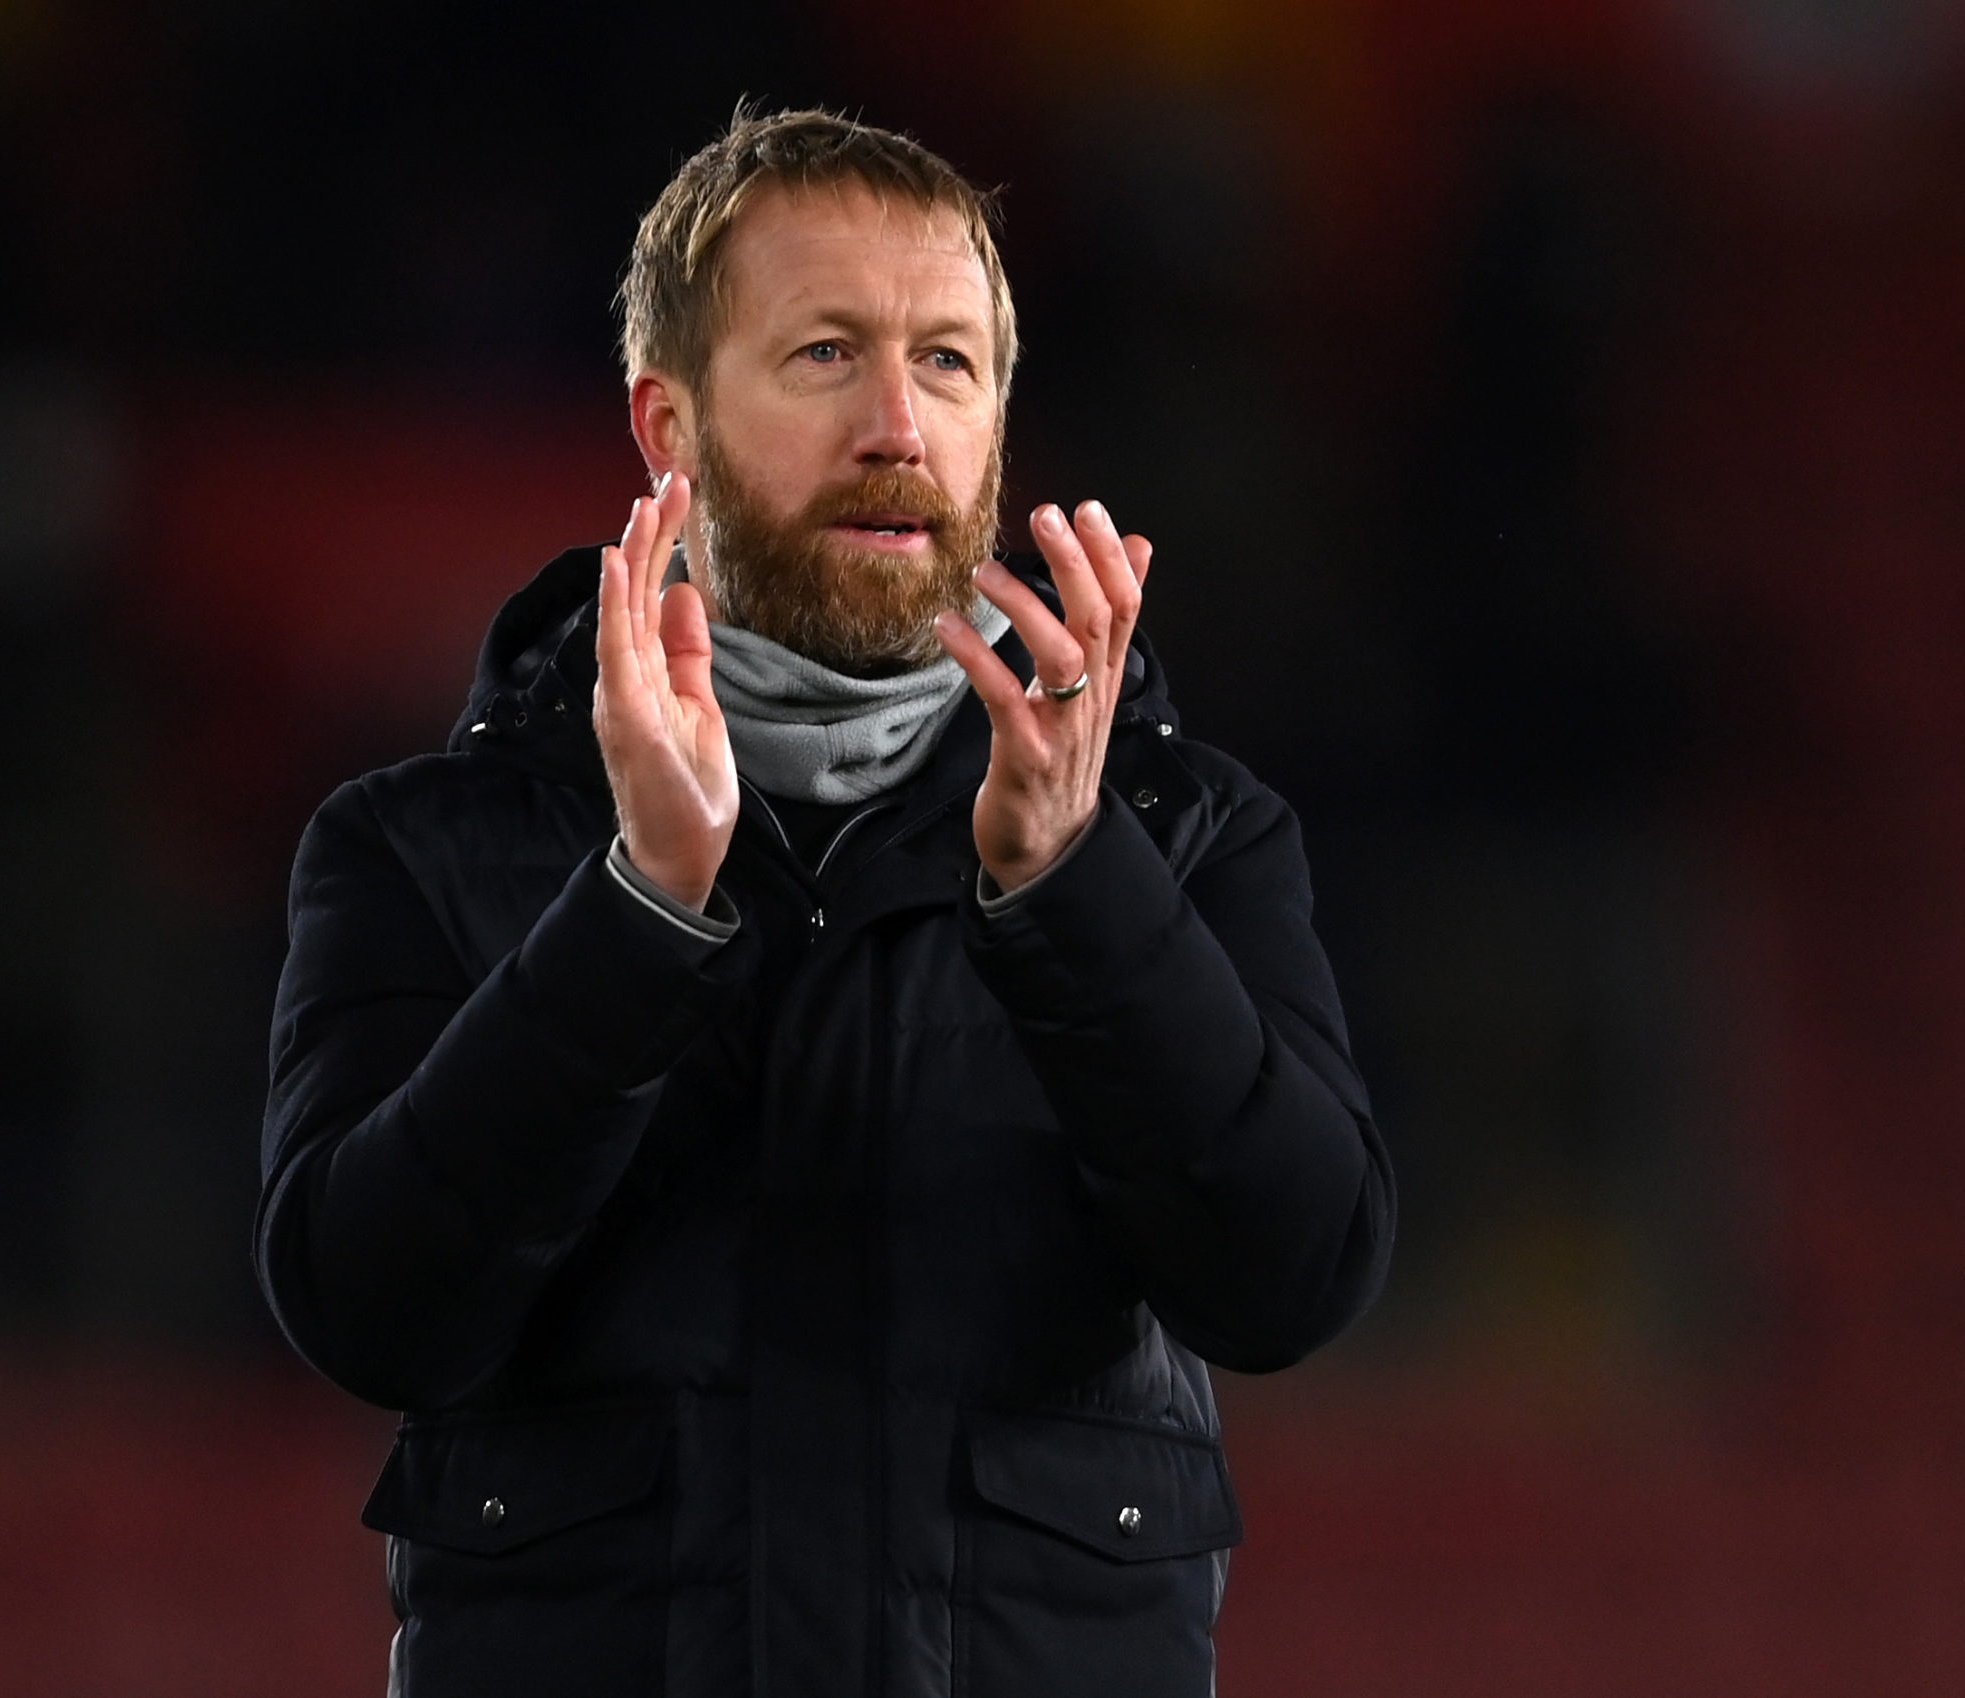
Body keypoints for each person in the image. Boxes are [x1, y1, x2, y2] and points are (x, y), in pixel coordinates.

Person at [256, 106, 1394, 1698]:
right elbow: (366, 1309)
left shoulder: (1185, 839)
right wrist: (638, 911)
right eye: (825, 355)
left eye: (948, 363)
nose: (896, 426)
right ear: (668, 425)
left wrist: (1072, 887)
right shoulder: (417, 846)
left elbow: (1293, 1277)